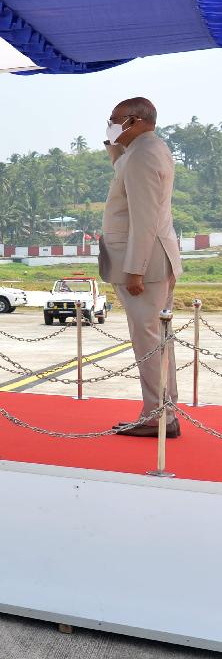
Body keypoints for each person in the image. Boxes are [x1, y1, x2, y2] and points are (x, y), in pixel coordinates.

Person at [100, 97, 183, 437]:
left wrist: (136, 269)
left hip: (144, 265)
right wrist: (113, 147)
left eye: (114, 120)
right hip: (157, 257)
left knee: (148, 340)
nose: (110, 125)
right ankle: (165, 411)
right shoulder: (147, 149)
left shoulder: (141, 156)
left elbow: (144, 218)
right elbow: (126, 175)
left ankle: (156, 416)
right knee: (158, 339)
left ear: (134, 121)